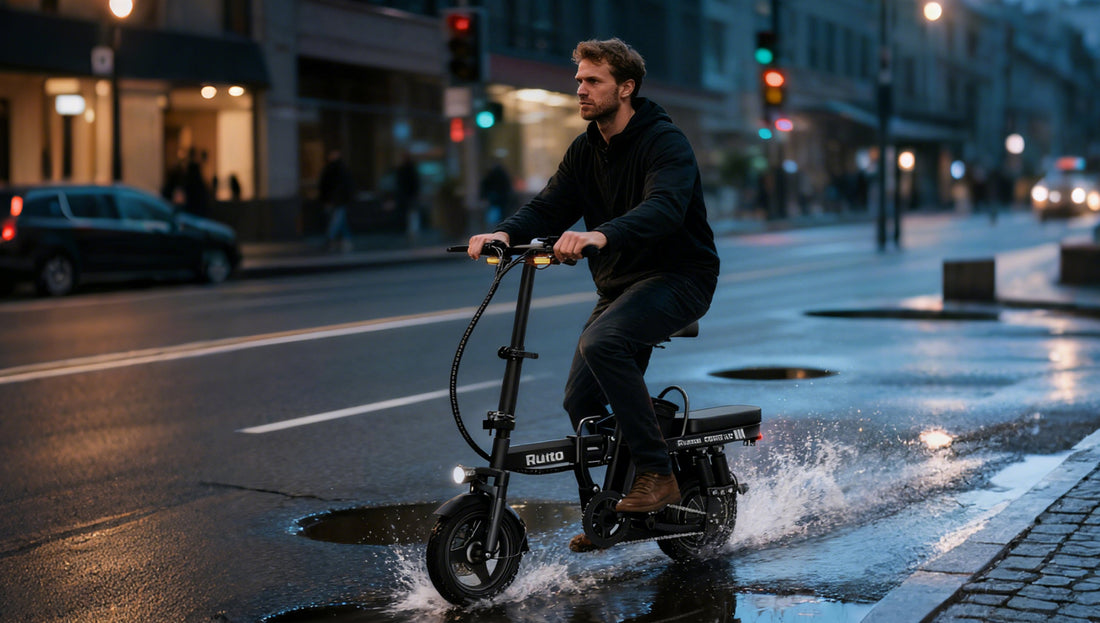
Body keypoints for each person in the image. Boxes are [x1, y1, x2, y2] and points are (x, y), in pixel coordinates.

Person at [466, 38, 720, 551]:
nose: (580, 89)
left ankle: (658, 473)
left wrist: (601, 235)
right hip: (621, 284)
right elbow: (549, 207)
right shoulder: (586, 149)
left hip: (679, 278)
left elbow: (665, 208)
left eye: (593, 80)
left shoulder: (664, 142)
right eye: (579, 79)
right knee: (580, 401)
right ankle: (618, 509)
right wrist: (505, 233)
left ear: (625, 88)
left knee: (604, 344)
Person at [319, 149, 355, 253]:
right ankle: (346, 239)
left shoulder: (338, 169)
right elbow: (324, 186)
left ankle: (330, 240)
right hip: (335, 200)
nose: (333, 156)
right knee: (340, 221)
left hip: (338, 200)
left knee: (336, 221)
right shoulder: (333, 169)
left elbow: (347, 186)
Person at [480, 160, 516, 226]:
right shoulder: (502, 174)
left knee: (495, 215)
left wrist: (483, 196)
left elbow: (484, 185)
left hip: (495, 198)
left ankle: (496, 225)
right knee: (501, 214)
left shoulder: (491, 175)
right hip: (501, 198)